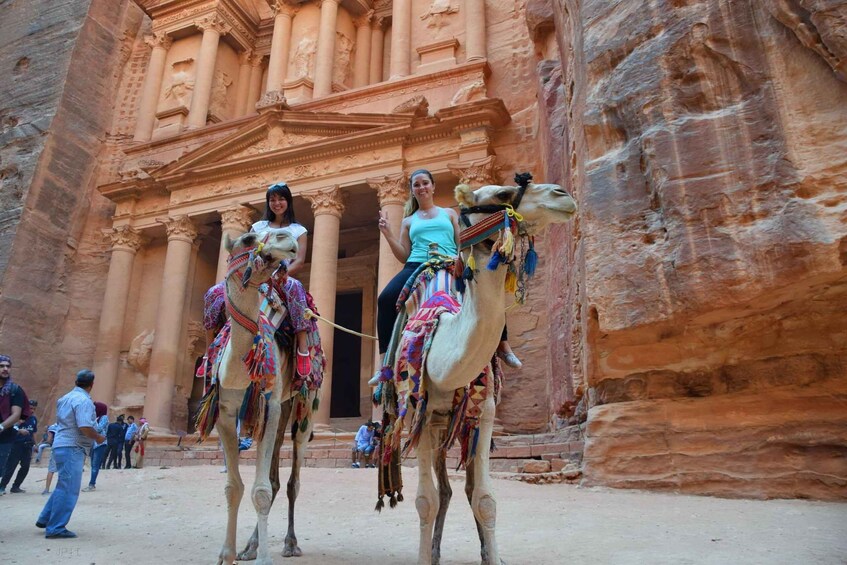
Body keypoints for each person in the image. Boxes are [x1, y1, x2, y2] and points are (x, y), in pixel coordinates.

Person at [375, 170, 521, 370]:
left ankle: (503, 345)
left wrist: (460, 258)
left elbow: (462, 241)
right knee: (384, 300)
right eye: (416, 185)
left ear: (433, 186)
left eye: (425, 183)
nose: (421, 187)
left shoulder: (449, 213)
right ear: (412, 191)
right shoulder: (408, 221)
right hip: (417, 265)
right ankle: (384, 363)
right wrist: (387, 234)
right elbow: (404, 255)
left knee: (487, 291)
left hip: (449, 262)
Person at [250, 182, 318, 378]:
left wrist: (280, 275)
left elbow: (299, 261)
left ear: (288, 201)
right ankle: (213, 352)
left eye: (281, 199)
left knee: (295, 287)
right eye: (272, 199)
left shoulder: (299, 230)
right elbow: (249, 253)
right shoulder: (257, 227)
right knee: (214, 293)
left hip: (282, 276)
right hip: (257, 274)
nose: (277, 203)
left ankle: (303, 348)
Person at [36, 369, 105, 539]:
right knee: (69, 488)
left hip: (60, 444)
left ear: (76, 382)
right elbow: (84, 426)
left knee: (63, 485)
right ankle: (56, 528)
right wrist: (98, 437)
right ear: (92, 384)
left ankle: (45, 518)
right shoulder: (84, 401)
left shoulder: (65, 398)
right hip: (73, 447)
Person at [0, 398, 38, 494]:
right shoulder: (19, 417)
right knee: (11, 467)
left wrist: (35, 444)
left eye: (34, 408)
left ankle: (16, 486)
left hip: (27, 446)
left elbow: (33, 432)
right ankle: (2, 486)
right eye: (30, 408)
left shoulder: (33, 419)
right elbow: (11, 428)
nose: (32, 410)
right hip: (16, 445)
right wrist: (19, 430)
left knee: (25, 467)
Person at [0, 354, 26, 478]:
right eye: (1, 366)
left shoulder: (15, 390)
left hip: (4, 438)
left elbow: (16, 414)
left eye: (8, 366)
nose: (5, 369)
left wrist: (1, 427)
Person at [82, 402, 109, 492]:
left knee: (95, 465)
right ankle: (92, 483)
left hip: (100, 443)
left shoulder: (104, 417)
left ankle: (92, 485)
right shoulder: (97, 418)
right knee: (93, 464)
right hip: (94, 444)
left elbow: (99, 428)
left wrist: (91, 424)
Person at [41, 422, 59, 495]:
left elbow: (49, 439)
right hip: (67, 448)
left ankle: (46, 489)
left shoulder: (53, 427)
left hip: (56, 448)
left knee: (51, 470)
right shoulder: (67, 424)